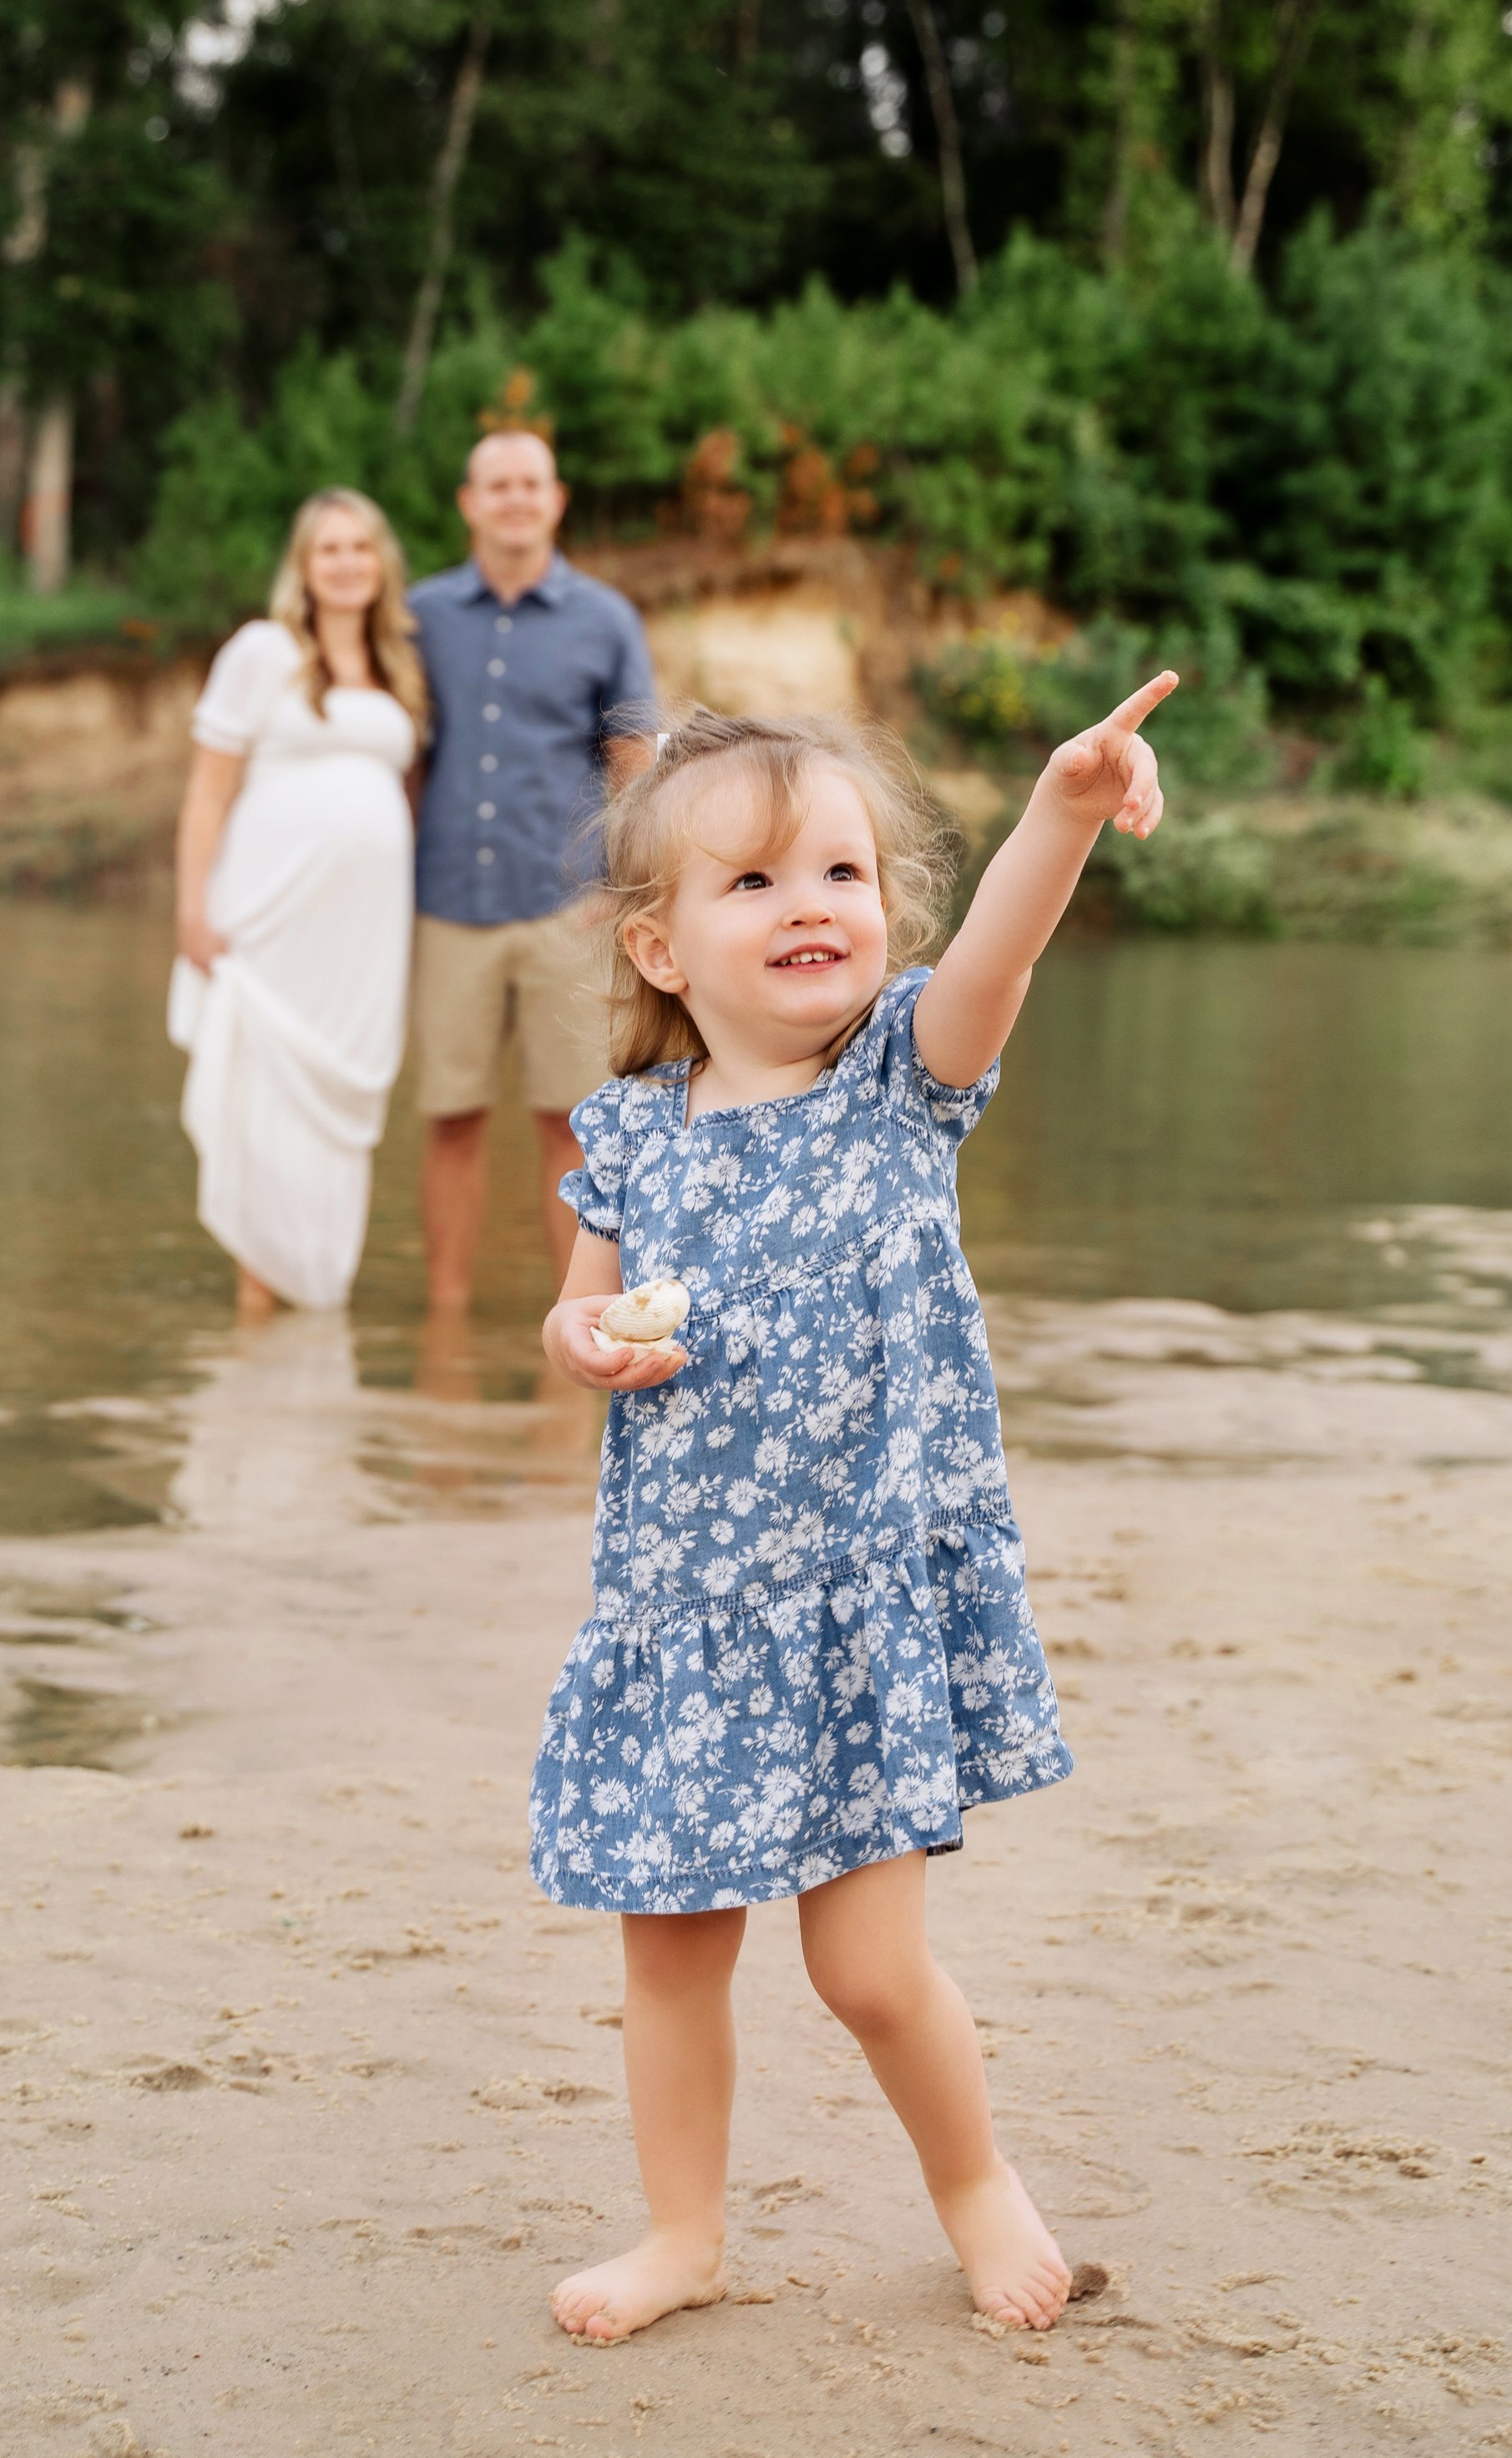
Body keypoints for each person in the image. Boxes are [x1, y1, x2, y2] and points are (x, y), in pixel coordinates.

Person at [529, 675, 1178, 2345]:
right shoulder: (630, 1134)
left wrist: (1060, 805)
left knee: (867, 1971)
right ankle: (682, 2231)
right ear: (661, 947)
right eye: (750, 882)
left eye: (837, 874)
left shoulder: (902, 1078)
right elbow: (577, 1305)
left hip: (854, 1603)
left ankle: (975, 2187)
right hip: (686, 1615)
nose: (808, 906)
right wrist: (582, 1337)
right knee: (667, 1956)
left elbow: (1001, 960)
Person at [408, 427, 656, 1311]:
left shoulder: (605, 618)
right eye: (496, 485)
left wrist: (618, 889)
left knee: (570, 1125)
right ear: (469, 504)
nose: (515, 499)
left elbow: (634, 762)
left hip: (567, 912)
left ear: (555, 501)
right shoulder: (419, 615)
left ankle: (576, 1324)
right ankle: (445, 1323)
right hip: (444, 905)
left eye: (530, 484)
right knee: (450, 1119)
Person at [168, 488, 427, 1320]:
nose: (347, 563)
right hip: (267, 916)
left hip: (359, 941)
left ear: (382, 563)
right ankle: (256, 1306)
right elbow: (208, 794)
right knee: (265, 1096)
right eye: (329, 550)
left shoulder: (400, 666)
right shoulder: (260, 651)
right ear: (304, 567)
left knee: (338, 1109)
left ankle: (318, 1298)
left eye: (361, 548)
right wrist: (191, 910)